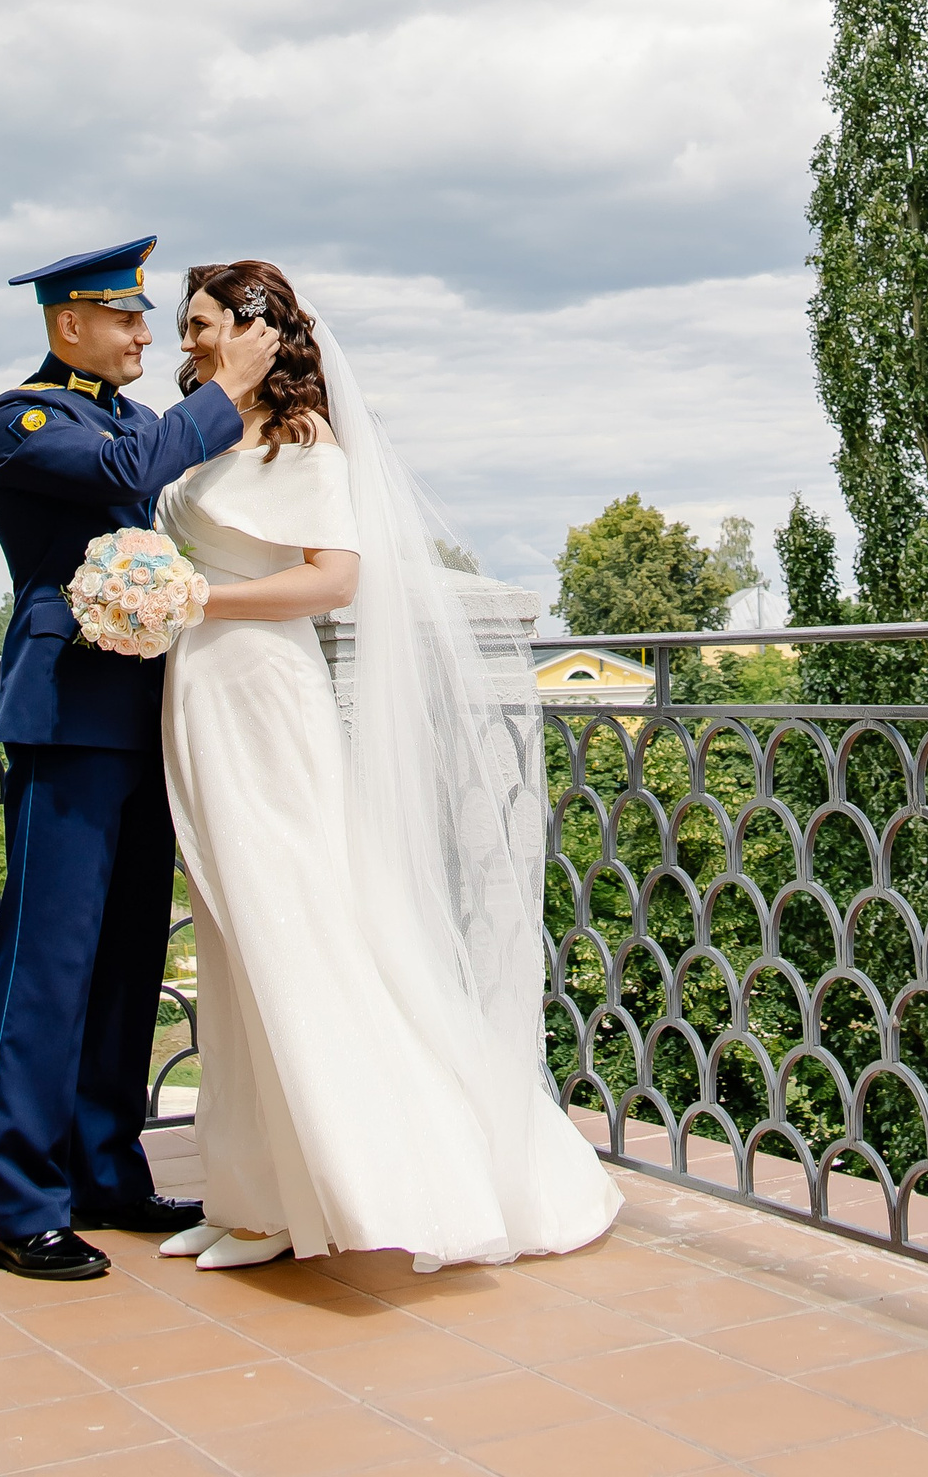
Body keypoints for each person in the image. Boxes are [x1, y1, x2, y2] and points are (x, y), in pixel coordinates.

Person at [152, 260, 621, 1270]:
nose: (183, 342)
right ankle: (250, 1193)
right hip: (198, 693)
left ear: (255, 329)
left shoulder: (302, 441)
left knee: (291, 927)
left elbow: (333, 580)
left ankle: (337, 1193)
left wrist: (198, 601)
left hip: (262, 698)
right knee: (229, 945)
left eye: (198, 323)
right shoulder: (199, 434)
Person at [0, 236, 278, 1281]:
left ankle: (105, 1170)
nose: (146, 334)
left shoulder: (138, 419)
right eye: (126, 316)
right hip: (68, 715)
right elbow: (127, 475)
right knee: (48, 965)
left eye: (148, 318)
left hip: (153, 715)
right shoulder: (25, 420)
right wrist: (227, 388)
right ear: (70, 324)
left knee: (126, 962)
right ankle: (18, 1207)